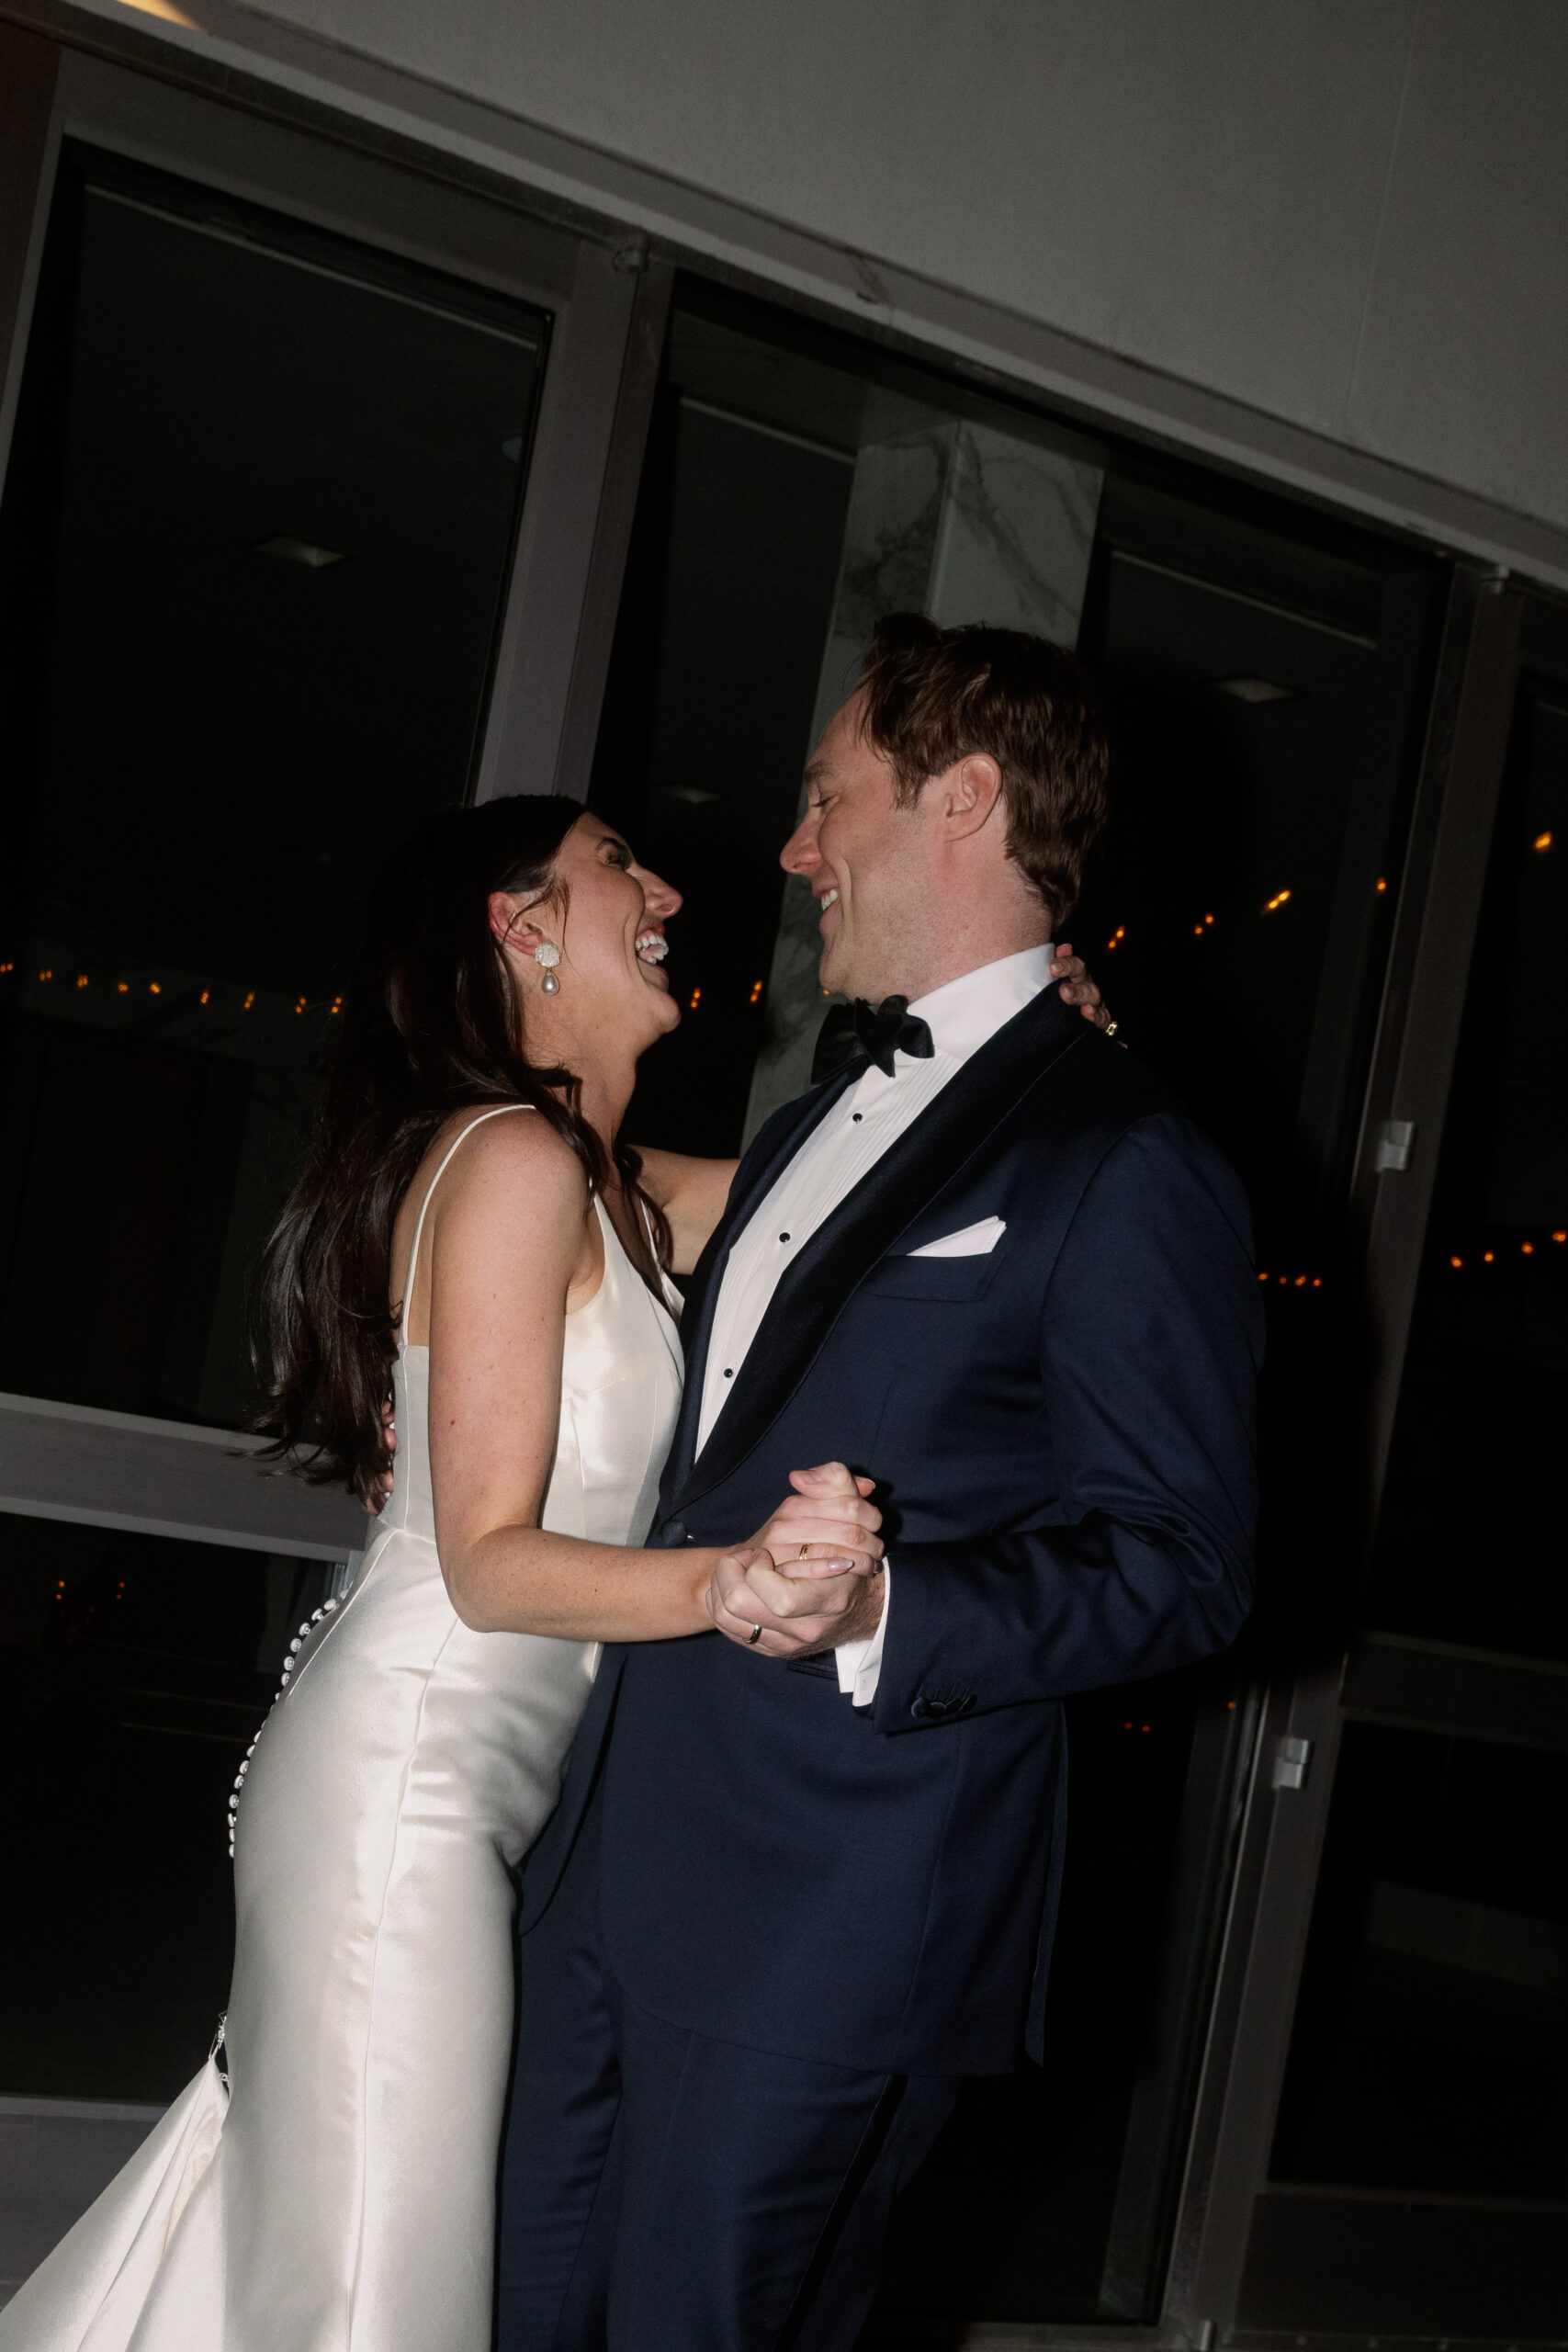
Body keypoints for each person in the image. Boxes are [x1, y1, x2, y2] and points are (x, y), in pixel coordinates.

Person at [0, 794, 894, 2352]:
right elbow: (486, 1566)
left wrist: (1006, 1062)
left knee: (304, 2266)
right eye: (621, 862)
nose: (668, 888)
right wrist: (731, 1579)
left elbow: (824, 1191)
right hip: (398, 1805)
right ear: (522, 923)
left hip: (445, 1804)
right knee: (370, 2296)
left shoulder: (607, 1182)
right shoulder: (510, 1159)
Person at [497, 614, 1263, 2352]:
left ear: (966, 801)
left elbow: (1189, 1561)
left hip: (825, 1934)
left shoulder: (1124, 1154)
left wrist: (891, 1602)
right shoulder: (793, 1126)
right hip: (605, 1868)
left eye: (825, 799)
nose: (791, 850)